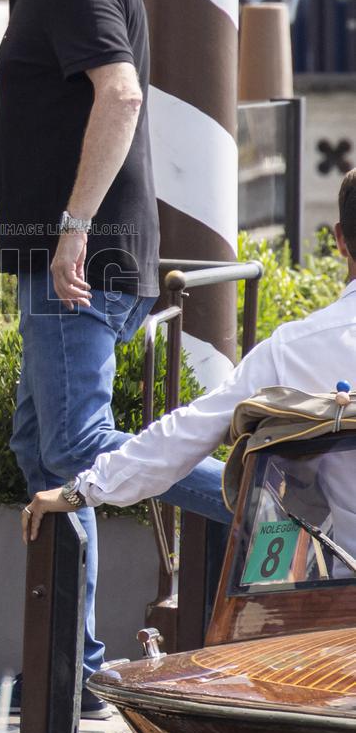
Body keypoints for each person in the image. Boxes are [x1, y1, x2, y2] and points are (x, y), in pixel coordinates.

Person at [0, 0, 160, 718]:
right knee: (42, 453)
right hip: (60, 258)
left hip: (77, 259)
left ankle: (260, 487)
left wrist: (75, 227)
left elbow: (119, 91)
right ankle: (74, 669)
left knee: (77, 451)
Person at [23, 169, 356, 547]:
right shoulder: (294, 346)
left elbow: (188, 433)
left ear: (340, 240)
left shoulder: (294, 348)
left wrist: (80, 491)